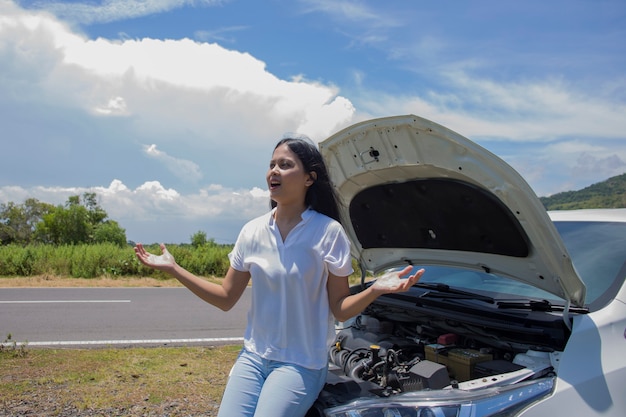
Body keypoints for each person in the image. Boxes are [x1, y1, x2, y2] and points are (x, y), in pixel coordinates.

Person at [134, 136, 425, 417]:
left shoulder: (327, 232)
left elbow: (339, 308)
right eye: (272, 164)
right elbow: (225, 298)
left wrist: (375, 290)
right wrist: (174, 269)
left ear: (309, 178)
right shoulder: (252, 231)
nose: (274, 171)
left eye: (285, 165)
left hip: (301, 363)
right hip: (253, 357)